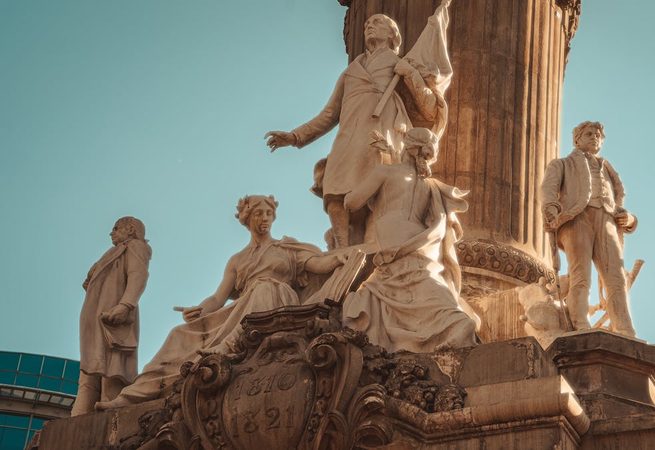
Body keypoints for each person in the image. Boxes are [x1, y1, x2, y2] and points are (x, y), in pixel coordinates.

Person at [95, 195, 345, 410]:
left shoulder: (287, 248)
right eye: (259, 213)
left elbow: (317, 264)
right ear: (247, 218)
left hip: (277, 304)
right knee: (179, 334)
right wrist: (200, 309)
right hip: (245, 309)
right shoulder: (237, 260)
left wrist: (337, 258)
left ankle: (229, 345)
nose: (265, 218)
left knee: (264, 287)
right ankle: (133, 394)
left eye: (269, 213)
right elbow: (218, 297)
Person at [266, 13, 441, 249]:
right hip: (348, 137)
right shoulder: (352, 70)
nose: (369, 26)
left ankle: (373, 244)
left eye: (377, 23)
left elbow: (429, 109)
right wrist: (295, 136)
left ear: (393, 35)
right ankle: (342, 250)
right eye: (367, 24)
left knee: (375, 193)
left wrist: (410, 74)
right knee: (333, 190)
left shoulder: (403, 64)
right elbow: (329, 114)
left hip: (381, 134)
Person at [341, 128, 478, 353]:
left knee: (361, 309)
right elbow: (436, 225)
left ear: (407, 146)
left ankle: (459, 324)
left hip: (395, 251)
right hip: (420, 247)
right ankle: (440, 332)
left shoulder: (385, 172)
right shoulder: (430, 185)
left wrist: (370, 165)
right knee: (427, 295)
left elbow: (351, 203)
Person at [540, 121, 637, 336]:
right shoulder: (562, 164)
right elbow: (548, 190)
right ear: (577, 140)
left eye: (598, 135)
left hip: (607, 219)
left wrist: (630, 219)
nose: (595, 138)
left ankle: (625, 329)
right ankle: (580, 323)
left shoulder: (608, 170)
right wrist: (550, 210)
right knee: (581, 274)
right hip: (577, 218)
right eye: (589, 134)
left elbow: (619, 203)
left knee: (617, 277)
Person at [73, 216, 151, 416]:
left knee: (114, 369)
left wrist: (126, 305)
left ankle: (110, 417)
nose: (111, 233)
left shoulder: (135, 246)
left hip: (114, 316)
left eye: (116, 228)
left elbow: (138, 275)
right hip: (95, 316)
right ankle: (78, 417)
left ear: (130, 229)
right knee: (90, 370)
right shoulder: (111, 253)